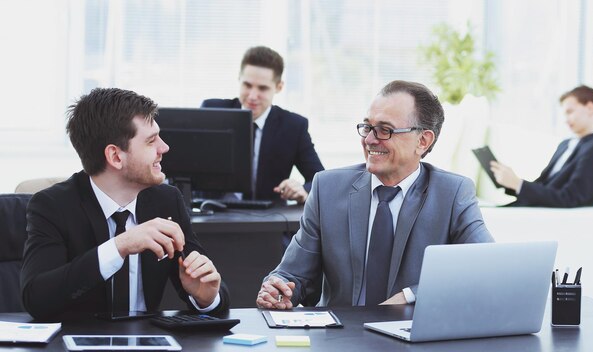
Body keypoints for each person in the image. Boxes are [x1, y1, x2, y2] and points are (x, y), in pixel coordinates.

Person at [256, 80, 493, 309]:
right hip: (342, 338)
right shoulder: (327, 188)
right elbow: (294, 273)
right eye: (367, 127)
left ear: (423, 140)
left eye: (384, 130)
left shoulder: (452, 194)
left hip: (413, 335)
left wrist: (411, 296)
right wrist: (278, 288)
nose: (369, 139)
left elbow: (488, 268)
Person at [21, 88, 230, 320]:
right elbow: (36, 298)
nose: (164, 148)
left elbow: (207, 287)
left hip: (147, 341)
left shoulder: (167, 200)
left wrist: (206, 298)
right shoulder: (52, 206)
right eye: (151, 141)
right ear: (115, 157)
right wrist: (119, 246)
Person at [201, 46, 324, 203]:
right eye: (247, 85)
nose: (252, 96)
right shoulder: (212, 112)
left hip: (266, 221)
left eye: (262, 88)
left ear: (279, 87)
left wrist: (303, 191)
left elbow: (319, 180)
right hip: (212, 215)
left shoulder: (293, 126)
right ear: (239, 79)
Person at [490, 85, 593, 207]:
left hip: (543, 216)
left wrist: (518, 184)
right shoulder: (565, 144)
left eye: (570, 112)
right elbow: (542, 184)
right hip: (530, 206)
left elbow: (569, 198)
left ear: (590, 108)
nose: (566, 120)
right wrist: (511, 182)